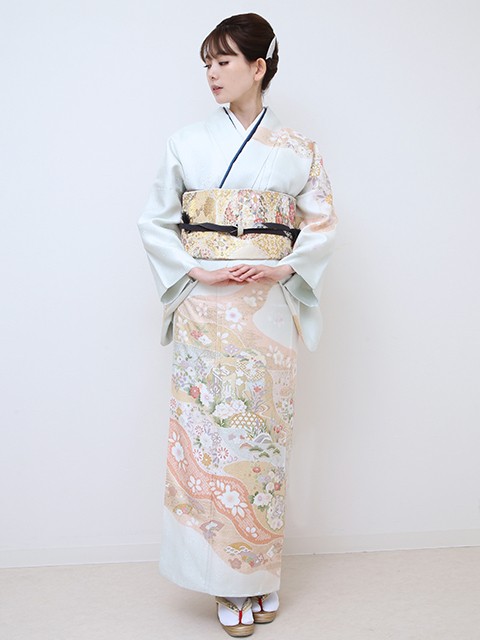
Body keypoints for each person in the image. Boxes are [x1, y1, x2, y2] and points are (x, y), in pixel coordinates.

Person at [138, 12, 337, 637]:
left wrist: (284, 269)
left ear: (258, 67)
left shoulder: (299, 148)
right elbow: (155, 221)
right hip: (205, 306)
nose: (212, 74)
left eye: (224, 62)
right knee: (209, 438)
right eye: (207, 63)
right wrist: (196, 267)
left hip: (267, 309)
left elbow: (322, 222)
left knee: (262, 443)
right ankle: (224, 581)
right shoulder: (185, 142)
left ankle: (259, 573)